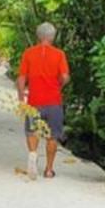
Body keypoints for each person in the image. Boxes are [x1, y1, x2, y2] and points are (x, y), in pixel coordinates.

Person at [17, 22, 70, 179]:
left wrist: (21, 98)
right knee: (52, 136)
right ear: (53, 37)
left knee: (32, 131)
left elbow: (21, 78)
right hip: (54, 101)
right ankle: (48, 169)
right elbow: (65, 77)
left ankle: (33, 155)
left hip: (34, 101)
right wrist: (59, 84)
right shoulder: (59, 54)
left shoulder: (28, 53)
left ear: (38, 36)